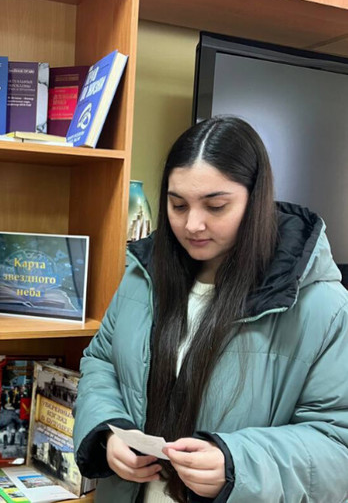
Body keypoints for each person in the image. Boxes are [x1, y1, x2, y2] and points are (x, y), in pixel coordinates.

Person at [74, 116, 348, 503]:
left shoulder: (323, 306)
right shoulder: (142, 275)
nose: (193, 224)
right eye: (177, 205)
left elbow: (338, 443)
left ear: (256, 200)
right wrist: (107, 430)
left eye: (216, 206)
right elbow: (101, 362)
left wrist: (237, 465)